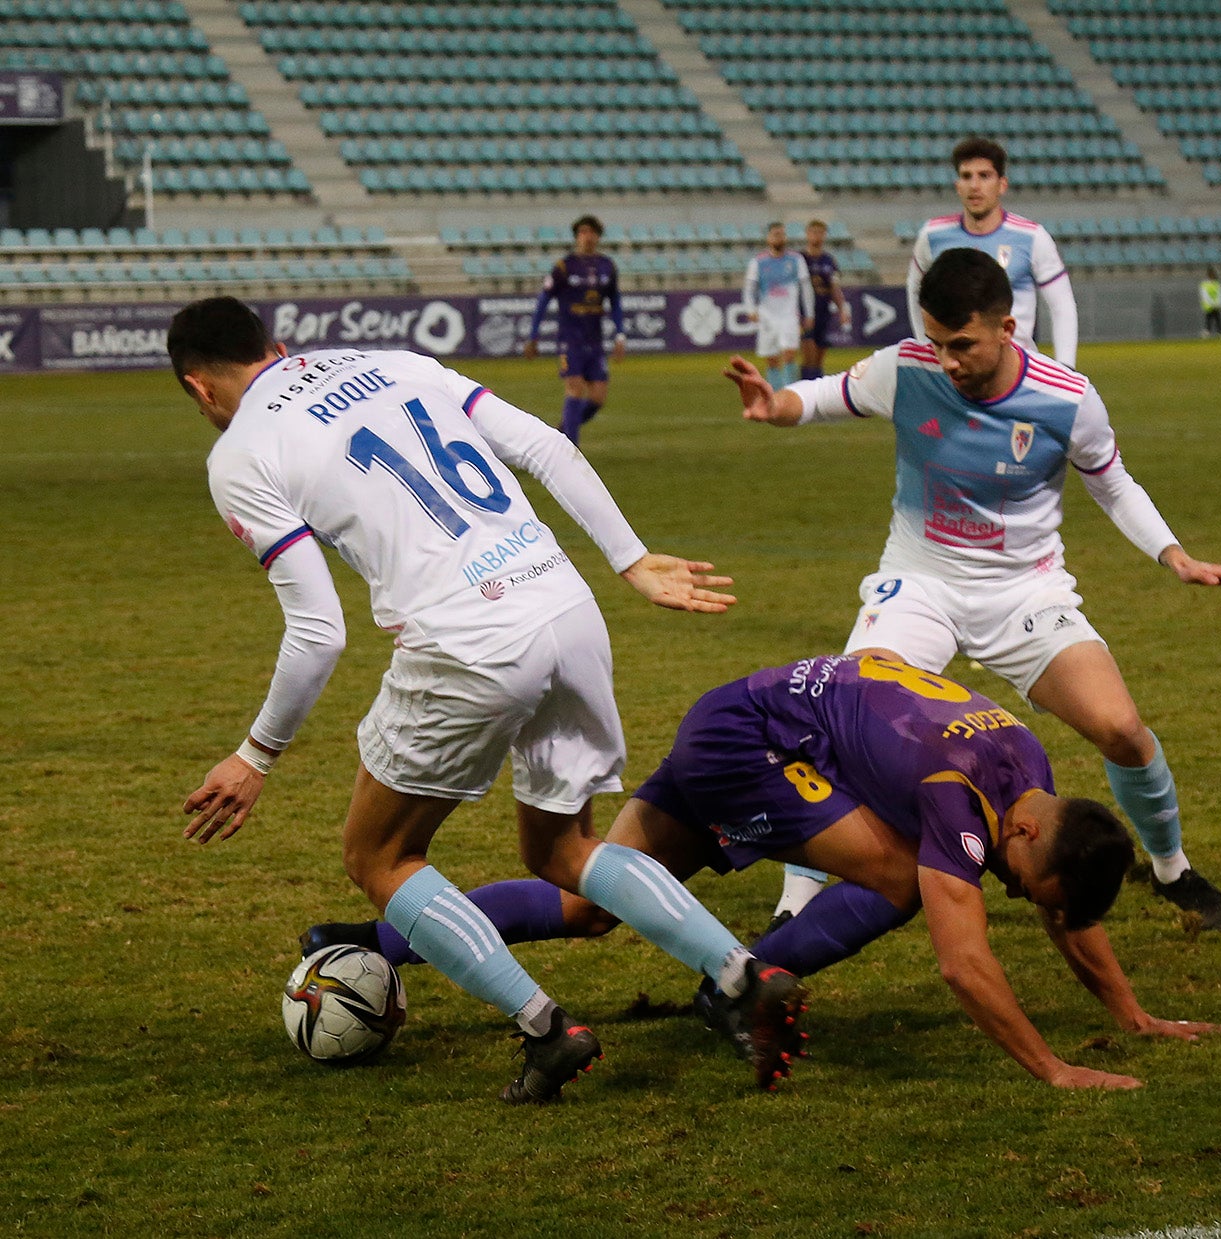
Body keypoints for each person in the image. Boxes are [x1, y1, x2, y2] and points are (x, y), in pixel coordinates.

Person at [167, 296, 806, 1103]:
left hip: (466, 639)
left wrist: (256, 755)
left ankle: (546, 1029)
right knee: (562, 853)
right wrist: (632, 560)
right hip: (565, 606)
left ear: (199, 389)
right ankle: (742, 974)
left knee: (380, 855)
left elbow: (318, 629)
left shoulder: (240, 453)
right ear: (279, 346)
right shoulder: (392, 362)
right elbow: (544, 443)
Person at [304, 655, 1221, 1089]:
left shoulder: (1031, 780)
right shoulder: (961, 793)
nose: (1017, 893)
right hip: (755, 747)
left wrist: (1130, 1012)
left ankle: (375, 940)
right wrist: (1051, 1067)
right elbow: (962, 959)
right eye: (1024, 882)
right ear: (1026, 830)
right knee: (908, 883)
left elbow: (1071, 898)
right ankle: (735, 986)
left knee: (589, 899)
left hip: (743, 714)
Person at [731, 247, 1221, 933]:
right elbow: (829, 395)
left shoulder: (1067, 399)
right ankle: (794, 902)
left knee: (1122, 729)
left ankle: (1171, 868)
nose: (947, 360)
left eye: (963, 345)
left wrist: (1174, 555)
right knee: (840, 721)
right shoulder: (906, 367)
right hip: (919, 582)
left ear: (1007, 327)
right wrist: (779, 405)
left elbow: (1114, 485)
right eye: (937, 341)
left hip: (1024, 594)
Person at [905, 136, 1078, 370]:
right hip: (956, 375)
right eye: (967, 176)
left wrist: (1066, 366)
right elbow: (916, 291)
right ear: (958, 185)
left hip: (1016, 372)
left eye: (984, 176)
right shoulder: (933, 236)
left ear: (1002, 184)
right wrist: (926, 348)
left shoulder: (1032, 237)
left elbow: (1062, 306)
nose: (974, 185)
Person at [523, 213, 625, 446]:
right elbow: (543, 300)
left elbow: (615, 302)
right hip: (570, 340)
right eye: (582, 232)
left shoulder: (607, 266)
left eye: (591, 232)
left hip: (595, 340)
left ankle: (563, 431)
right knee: (575, 388)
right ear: (576, 237)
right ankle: (571, 449)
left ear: (598, 237)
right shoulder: (564, 267)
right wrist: (533, 335)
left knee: (598, 398)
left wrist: (620, 334)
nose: (586, 237)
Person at [742, 220, 814, 390]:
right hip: (767, 317)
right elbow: (749, 288)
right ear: (768, 238)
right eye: (775, 234)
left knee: (789, 354)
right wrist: (750, 309)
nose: (779, 238)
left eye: (782, 234)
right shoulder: (758, 262)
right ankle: (775, 395)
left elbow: (806, 288)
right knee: (772, 358)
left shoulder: (796, 260)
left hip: (789, 315)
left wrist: (809, 314)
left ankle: (791, 394)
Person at [800, 219, 851, 380]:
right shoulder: (800, 259)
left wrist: (842, 309)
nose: (817, 236)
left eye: (820, 233)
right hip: (805, 312)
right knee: (809, 355)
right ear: (807, 234)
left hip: (823, 311)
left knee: (819, 357)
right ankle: (805, 390)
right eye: (814, 232)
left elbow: (834, 287)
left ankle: (814, 391)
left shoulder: (829, 260)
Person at [1200, 267, 1221, 337]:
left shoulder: (1217, 283)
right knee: (1209, 319)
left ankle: (1219, 332)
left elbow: (1220, 294)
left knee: (1217, 318)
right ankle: (1207, 332)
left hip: (1216, 304)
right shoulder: (1205, 284)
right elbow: (1204, 294)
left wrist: (1219, 303)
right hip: (1209, 305)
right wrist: (1209, 302)